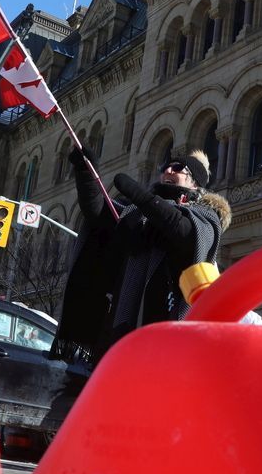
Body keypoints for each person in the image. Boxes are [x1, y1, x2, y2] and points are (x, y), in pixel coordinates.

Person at [52, 147, 231, 363]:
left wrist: (143, 198)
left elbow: (182, 231)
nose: (168, 171)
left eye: (177, 168)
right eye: (165, 167)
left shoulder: (206, 216)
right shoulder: (136, 214)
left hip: (166, 330)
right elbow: (99, 214)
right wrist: (86, 173)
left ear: (195, 182)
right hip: (120, 326)